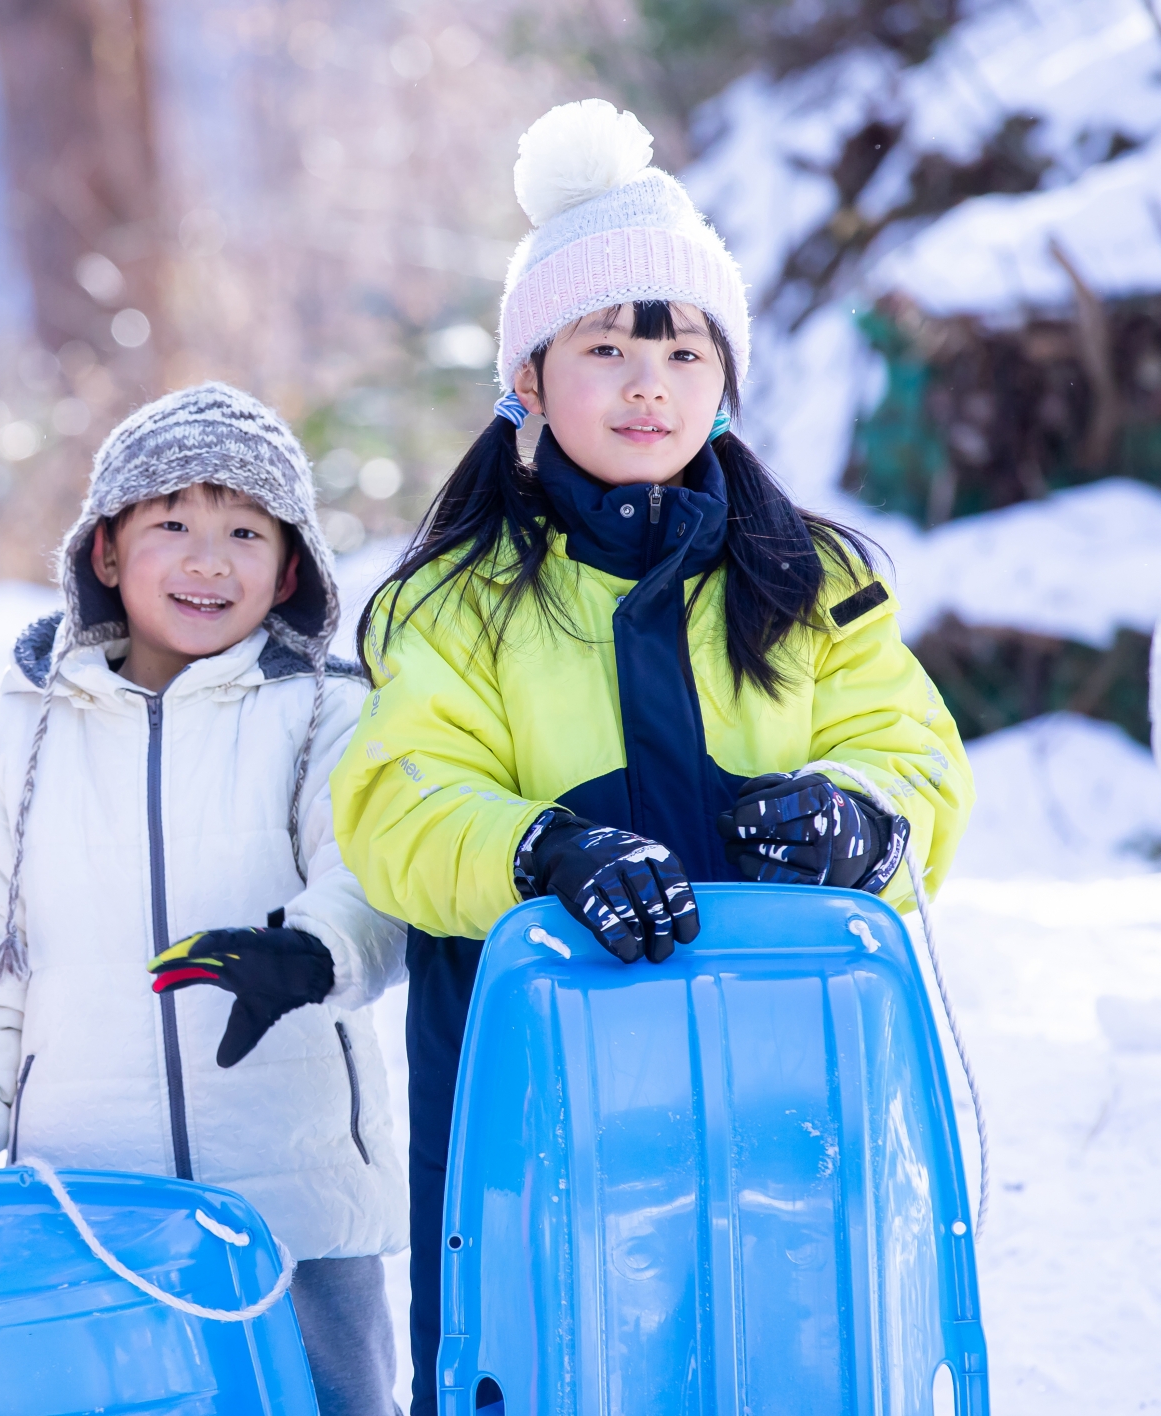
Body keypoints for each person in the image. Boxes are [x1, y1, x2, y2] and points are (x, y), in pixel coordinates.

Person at [328, 100, 974, 1416]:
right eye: (605, 346)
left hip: (785, 1061)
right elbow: (397, 800)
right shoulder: (456, 602)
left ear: (725, 377)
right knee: (547, 1354)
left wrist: (865, 822)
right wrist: (540, 848)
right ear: (529, 378)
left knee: (783, 1341)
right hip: (537, 1069)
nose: (646, 384)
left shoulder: (814, 581)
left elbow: (908, 750)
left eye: (682, 351)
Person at [0, 383, 409, 1415]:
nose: (210, 559)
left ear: (291, 567)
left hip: (294, 1195)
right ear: (104, 552)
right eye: (173, 524)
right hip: (89, 1198)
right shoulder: (12, 743)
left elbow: (377, 881)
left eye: (246, 529)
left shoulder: (327, 716)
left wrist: (311, 953)